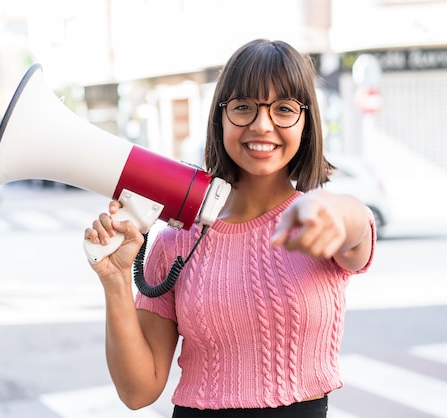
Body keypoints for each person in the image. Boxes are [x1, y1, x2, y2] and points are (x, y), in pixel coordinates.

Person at [84, 39, 376, 418]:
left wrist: (333, 208)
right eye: (243, 107)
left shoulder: (321, 223)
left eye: (284, 109)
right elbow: (138, 392)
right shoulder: (176, 242)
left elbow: (356, 228)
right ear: (220, 117)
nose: (262, 125)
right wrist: (117, 279)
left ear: (306, 122)